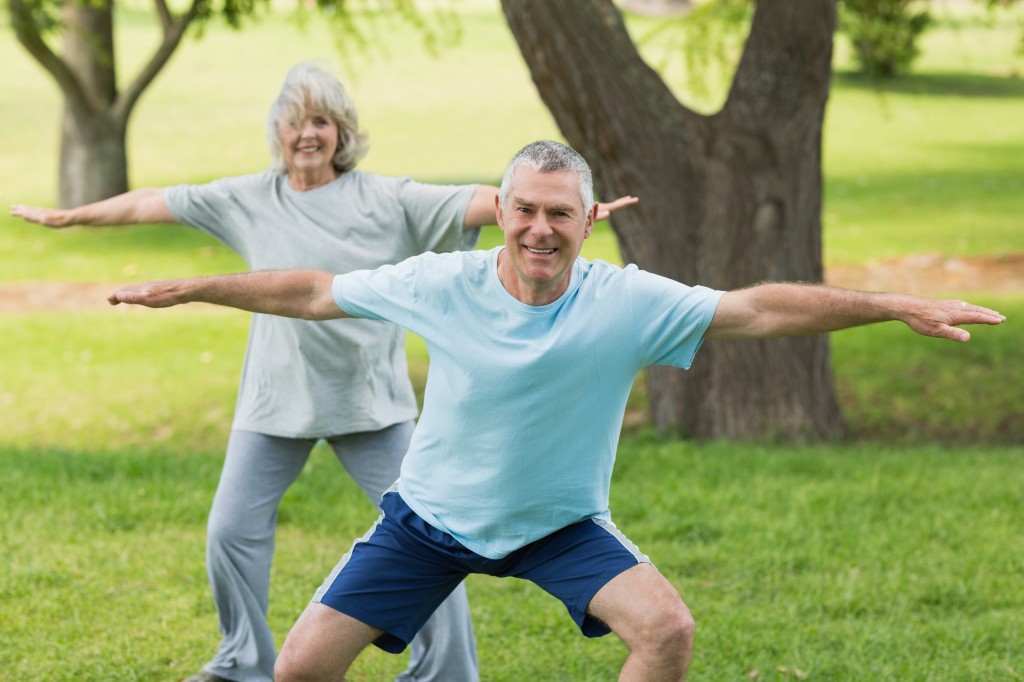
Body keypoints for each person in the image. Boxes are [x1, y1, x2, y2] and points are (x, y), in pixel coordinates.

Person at [106, 140, 1006, 681]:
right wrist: (196, 286)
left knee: (666, 631)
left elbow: (759, 307)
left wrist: (891, 302)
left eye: (561, 215)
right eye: (524, 210)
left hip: (559, 524)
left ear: (588, 220)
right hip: (429, 521)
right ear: (501, 212)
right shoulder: (440, 283)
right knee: (299, 666)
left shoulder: (625, 300)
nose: (540, 229)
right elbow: (309, 290)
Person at [10, 65, 635, 682]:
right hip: (274, 401)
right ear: (276, 131)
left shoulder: (384, 198)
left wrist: (560, 212)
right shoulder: (247, 197)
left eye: (321, 121)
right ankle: (242, 662)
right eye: (293, 120)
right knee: (230, 532)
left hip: (371, 403)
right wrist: (72, 218)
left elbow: (481, 201)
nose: (306, 133)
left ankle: (447, 672)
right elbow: (154, 201)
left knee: (439, 537)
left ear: (342, 132)